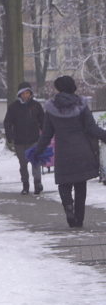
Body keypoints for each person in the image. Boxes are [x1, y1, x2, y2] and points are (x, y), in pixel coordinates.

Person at [30, 75, 106, 228]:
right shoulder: (81, 105)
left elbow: (46, 135)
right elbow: (92, 128)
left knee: (64, 183)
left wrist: (37, 151)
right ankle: (79, 219)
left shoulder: (51, 109)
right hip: (81, 149)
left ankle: (68, 207)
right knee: (80, 184)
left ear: (58, 89)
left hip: (63, 152)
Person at [4, 82, 45, 194]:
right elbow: (8, 122)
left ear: (30, 93)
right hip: (19, 140)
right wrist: (10, 135)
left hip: (34, 139)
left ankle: (37, 183)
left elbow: (43, 121)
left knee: (35, 161)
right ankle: (25, 185)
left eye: (27, 93)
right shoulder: (13, 107)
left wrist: (45, 135)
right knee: (23, 164)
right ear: (19, 94)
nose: (25, 95)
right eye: (23, 93)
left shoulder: (36, 106)